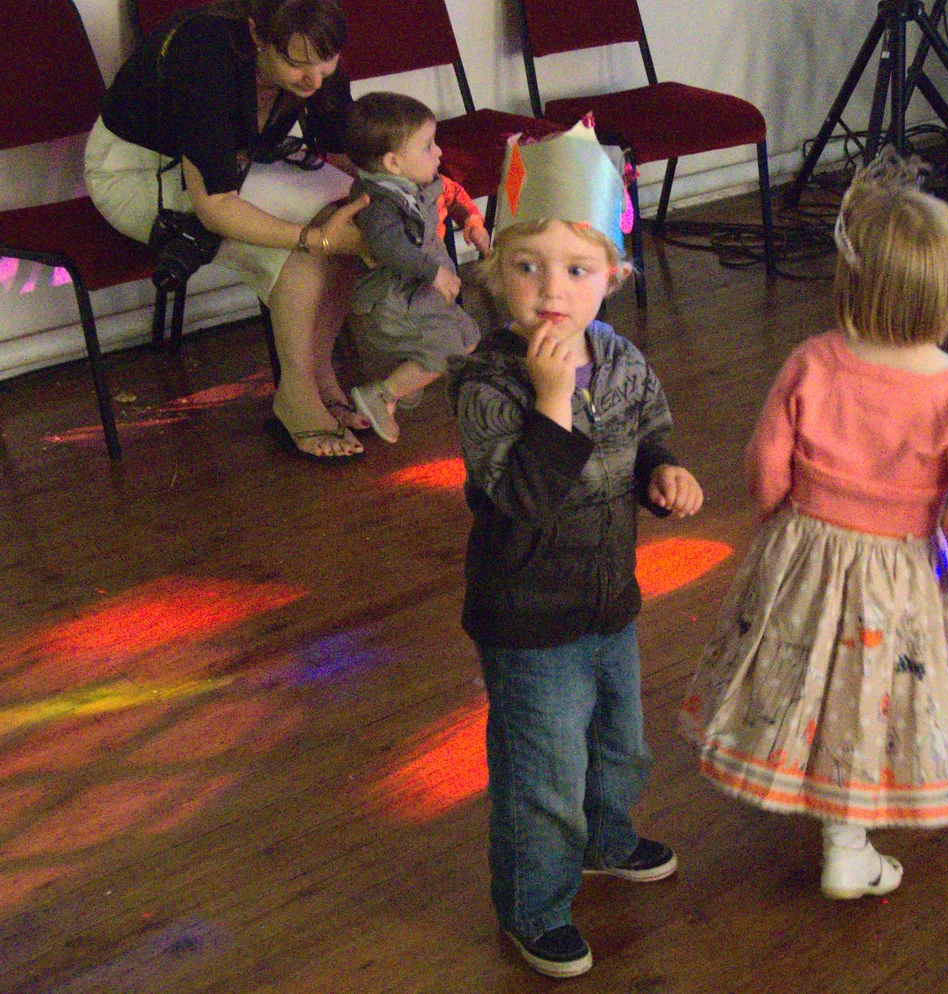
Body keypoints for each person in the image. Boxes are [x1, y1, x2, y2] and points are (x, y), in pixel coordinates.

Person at [678, 150, 948, 902]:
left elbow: (766, 456)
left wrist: (775, 519)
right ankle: (848, 843)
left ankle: (838, 833)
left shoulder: (815, 361)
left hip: (807, 549)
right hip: (899, 570)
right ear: (946, 291)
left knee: (809, 677)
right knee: (874, 692)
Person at [448, 120, 703, 980]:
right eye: (527, 266)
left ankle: (608, 838)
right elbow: (519, 498)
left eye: (577, 269)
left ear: (614, 280)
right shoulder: (488, 383)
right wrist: (552, 402)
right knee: (541, 772)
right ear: (496, 272)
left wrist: (663, 473)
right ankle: (534, 904)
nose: (550, 289)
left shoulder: (622, 360)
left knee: (619, 744)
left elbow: (648, 432)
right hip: (527, 619)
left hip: (607, 600)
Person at [85, 0, 372, 461]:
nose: (314, 80)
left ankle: (321, 376)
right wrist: (314, 239)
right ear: (258, 36)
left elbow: (338, 143)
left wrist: (404, 190)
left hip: (235, 163)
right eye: (296, 65)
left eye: (327, 63)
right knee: (305, 237)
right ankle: (295, 397)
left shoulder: (311, 44)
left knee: (354, 211)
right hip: (138, 171)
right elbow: (216, 205)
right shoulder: (206, 53)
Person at [341, 92, 483, 444]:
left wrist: (473, 221)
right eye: (428, 146)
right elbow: (387, 246)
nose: (439, 152)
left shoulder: (418, 182)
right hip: (394, 299)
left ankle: (409, 378)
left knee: (467, 336)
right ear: (392, 163)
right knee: (446, 348)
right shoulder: (378, 204)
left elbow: (452, 194)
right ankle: (382, 394)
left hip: (421, 293)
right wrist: (434, 273)